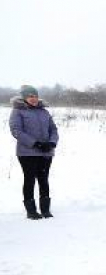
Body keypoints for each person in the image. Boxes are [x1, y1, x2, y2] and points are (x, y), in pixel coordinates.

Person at [9, 85, 58, 219]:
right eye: (30, 96)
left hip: (46, 152)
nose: (34, 98)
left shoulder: (44, 112)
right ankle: (31, 211)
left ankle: (45, 209)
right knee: (30, 179)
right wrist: (35, 143)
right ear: (24, 97)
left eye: (35, 96)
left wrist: (52, 143)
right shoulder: (18, 111)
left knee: (44, 179)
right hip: (27, 153)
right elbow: (16, 131)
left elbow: (53, 129)